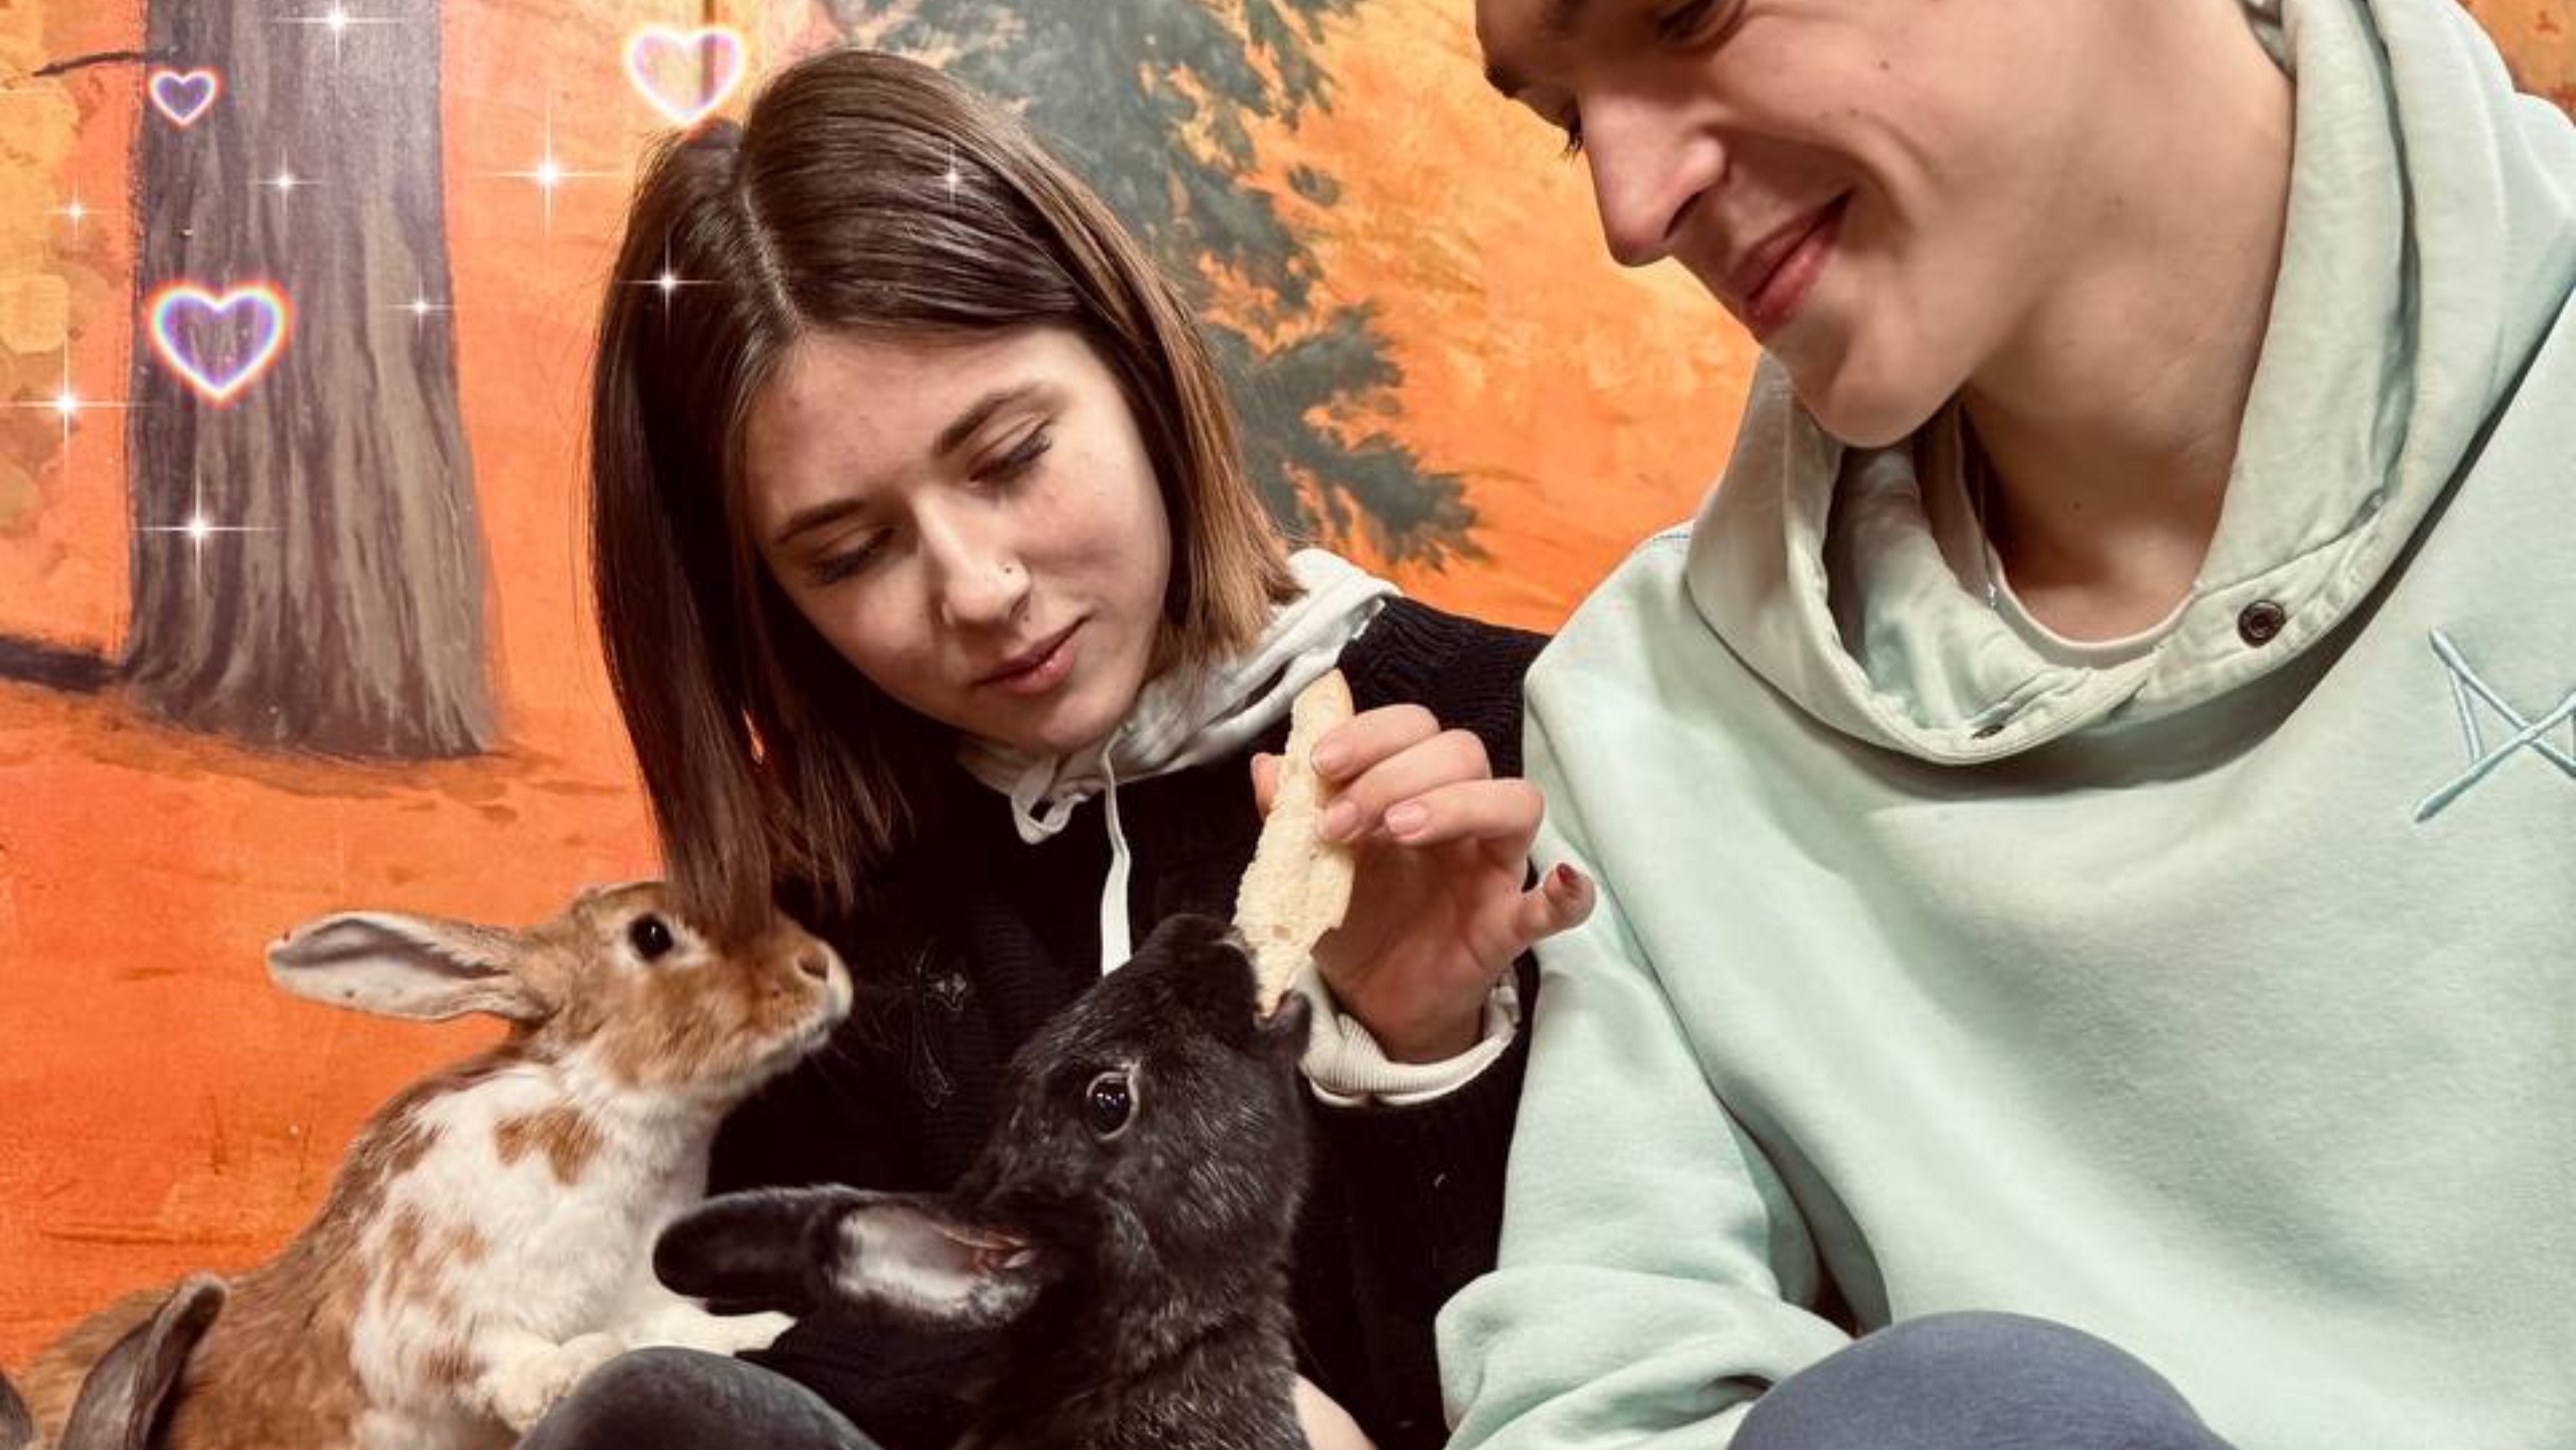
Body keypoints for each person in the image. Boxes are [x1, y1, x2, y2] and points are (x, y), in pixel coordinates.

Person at [1438, 0, 2575, 1446]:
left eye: (1687, 11)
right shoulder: (1643, 725)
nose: (1631, 209)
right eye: (1564, 123)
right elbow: (1592, 1406)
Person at [527, 45, 1593, 1450]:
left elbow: (1619, 1361)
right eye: (850, 553)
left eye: (1011, 455)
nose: (978, 589)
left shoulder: (1522, 729)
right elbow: (772, 1350)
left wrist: (1421, 1052)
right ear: (765, 604)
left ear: (1133, 360)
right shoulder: (809, 927)